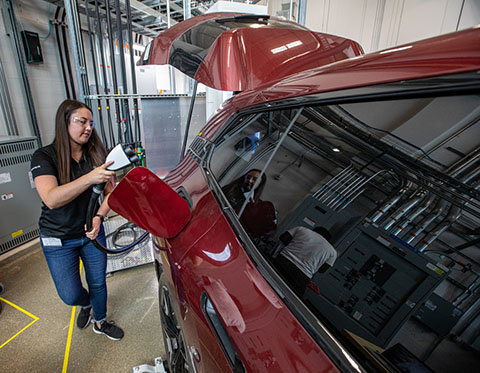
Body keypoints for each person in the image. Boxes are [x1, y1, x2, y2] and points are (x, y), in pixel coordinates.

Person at [30, 99, 124, 341]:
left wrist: (99, 217)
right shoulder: (44, 156)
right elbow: (51, 198)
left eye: (91, 123)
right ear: (65, 122)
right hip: (57, 238)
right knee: (70, 295)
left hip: (91, 233)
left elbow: (110, 193)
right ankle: (86, 305)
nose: (88, 127)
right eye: (81, 121)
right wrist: (91, 177)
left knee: (98, 283)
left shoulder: (97, 154)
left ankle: (101, 322)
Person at [273, 226, 337, 297]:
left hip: (283, 261)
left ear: (313, 231)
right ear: (327, 239)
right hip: (302, 276)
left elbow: (283, 238)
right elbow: (322, 270)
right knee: (288, 297)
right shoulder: (332, 252)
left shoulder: (302, 229)